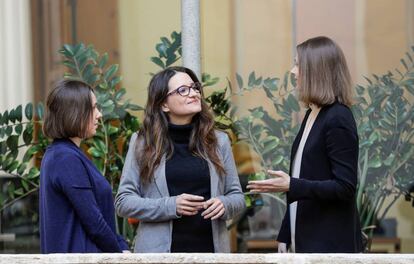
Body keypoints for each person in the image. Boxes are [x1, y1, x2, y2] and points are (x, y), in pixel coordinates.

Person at [247, 36, 363, 253]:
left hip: (329, 247)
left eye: (298, 64)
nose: (293, 72)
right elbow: (305, 179)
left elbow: (345, 187)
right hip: (305, 240)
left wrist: (291, 185)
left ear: (316, 71)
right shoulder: (313, 113)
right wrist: (285, 233)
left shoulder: (338, 117)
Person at [115, 66, 245, 253]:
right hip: (159, 256)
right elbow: (124, 202)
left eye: (194, 87)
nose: (193, 93)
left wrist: (225, 204)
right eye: (183, 90)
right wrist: (171, 205)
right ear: (163, 104)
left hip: (211, 254)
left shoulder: (219, 141)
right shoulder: (143, 142)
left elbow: (237, 197)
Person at [40, 80, 129, 253]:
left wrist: (121, 246)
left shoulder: (64, 154)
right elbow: (94, 221)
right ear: (74, 112)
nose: (99, 115)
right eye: (93, 108)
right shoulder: (65, 158)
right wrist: (119, 253)